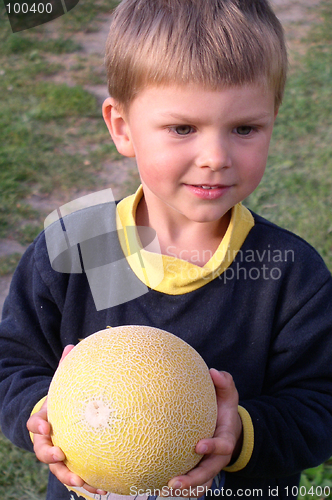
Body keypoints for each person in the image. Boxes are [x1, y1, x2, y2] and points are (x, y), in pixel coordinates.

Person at [1, 0, 332, 499]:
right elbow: (10, 363)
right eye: (183, 128)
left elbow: (320, 404)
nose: (215, 157)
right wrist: (42, 413)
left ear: (273, 120)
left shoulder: (288, 274)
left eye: (245, 128)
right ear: (122, 127)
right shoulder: (74, 247)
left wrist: (240, 432)